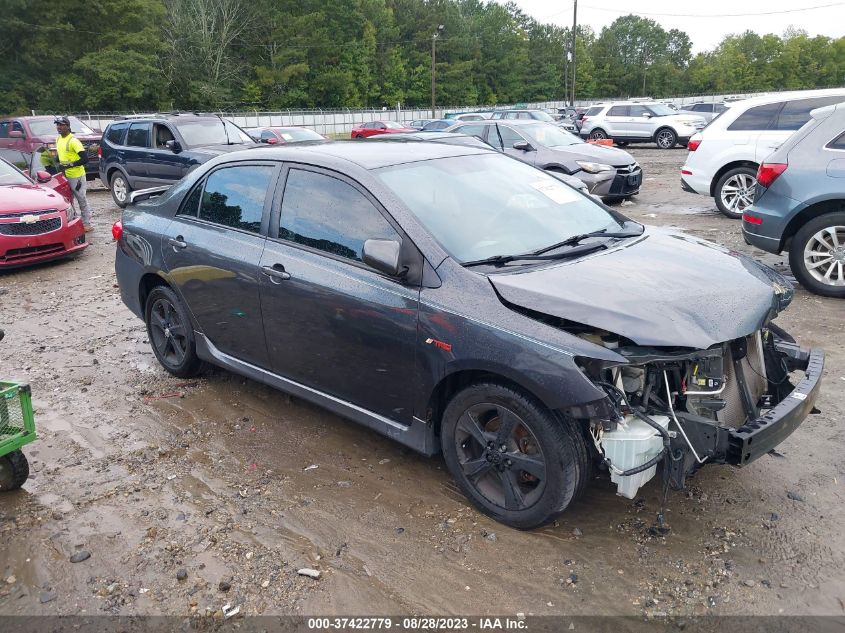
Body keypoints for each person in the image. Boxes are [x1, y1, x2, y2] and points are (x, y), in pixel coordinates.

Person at [54, 116, 92, 231]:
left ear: (68, 126)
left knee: (81, 198)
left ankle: (87, 223)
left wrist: (69, 165)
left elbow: (85, 159)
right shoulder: (58, 139)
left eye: (61, 125)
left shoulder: (73, 141)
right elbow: (60, 155)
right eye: (57, 125)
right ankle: (73, 222)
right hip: (64, 176)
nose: (59, 127)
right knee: (67, 200)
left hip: (76, 176)